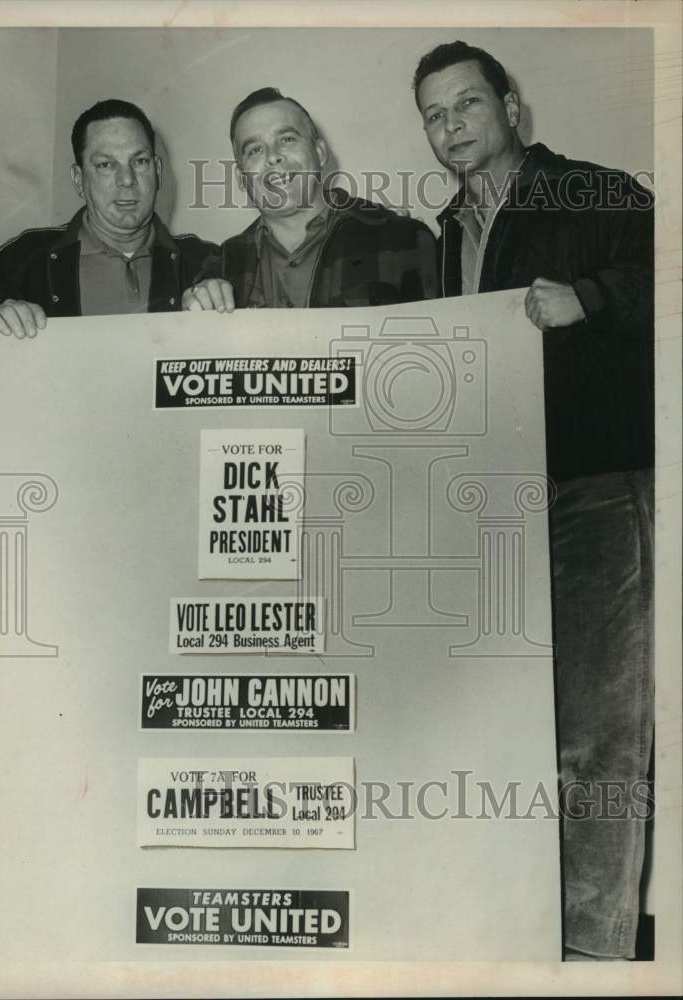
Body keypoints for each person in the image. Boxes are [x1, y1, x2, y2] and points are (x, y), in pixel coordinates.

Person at [413, 40, 654, 960]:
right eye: (433, 115)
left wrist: (589, 297)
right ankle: (516, 936)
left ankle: (591, 952)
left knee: (598, 726)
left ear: (511, 108)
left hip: (596, 490)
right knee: (505, 727)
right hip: (496, 504)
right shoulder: (445, 232)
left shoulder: (590, 191)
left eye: (466, 104)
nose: (451, 126)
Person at [0, 98, 218, 449]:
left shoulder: (204, 262)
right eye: (106, 165)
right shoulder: (25, 257)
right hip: (50, 476)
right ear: (79, 179)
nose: (127, 180)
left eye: (139, 161)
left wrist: (225, 324)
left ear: (157, 170)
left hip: (167, 472)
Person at [183, 87, 437, 311]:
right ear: (241, 178)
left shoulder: (403, 239)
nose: (272, 157)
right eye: (255, 150)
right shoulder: (220, 267)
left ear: (320, 153)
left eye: (287, 139)